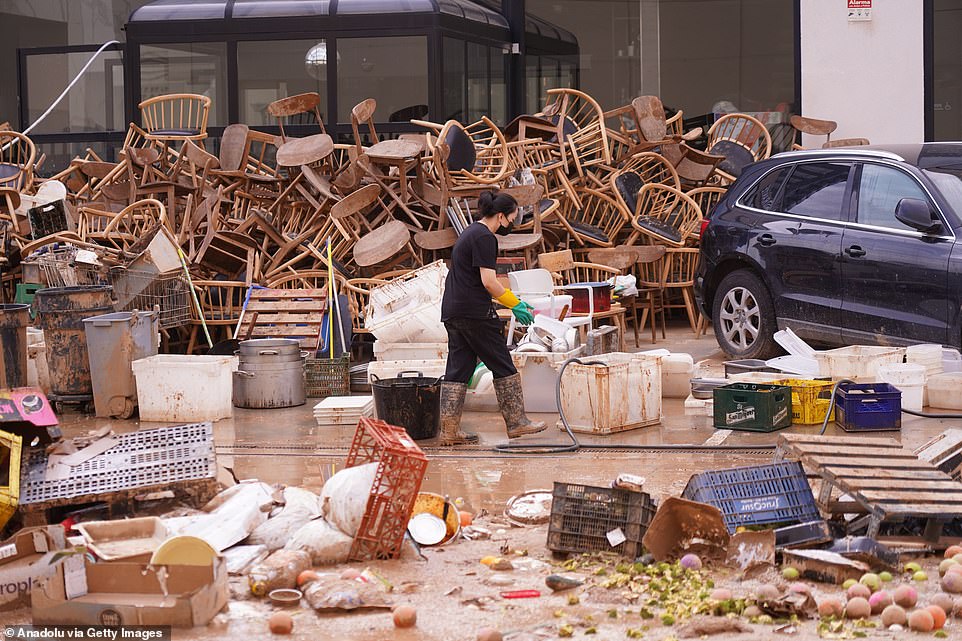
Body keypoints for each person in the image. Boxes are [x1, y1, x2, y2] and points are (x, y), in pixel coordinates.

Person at [438, 190, 547, 445]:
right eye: (511, 219)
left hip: (453, 310)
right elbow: (488, 282)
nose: (511, 225)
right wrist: (515, 303)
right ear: (500, 216)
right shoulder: (486, 238)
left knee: (458, 368)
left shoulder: (469, 231)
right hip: (474, 312)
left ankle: (449, 431)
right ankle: (518, 422)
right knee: (502, 364)